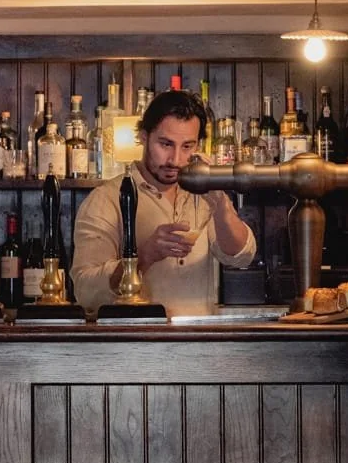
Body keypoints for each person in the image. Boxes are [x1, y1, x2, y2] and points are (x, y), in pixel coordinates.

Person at [72, 88, 255, 316]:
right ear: (143, 137)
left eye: (187, 146)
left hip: (198, 344)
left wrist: (221, 204)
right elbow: (85, 291)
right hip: (136, 345)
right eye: (166, 144)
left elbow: (241, 257)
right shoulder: (106, 199)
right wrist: (144, 256)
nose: (175, 160)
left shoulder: (203, 194)